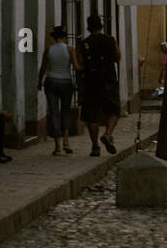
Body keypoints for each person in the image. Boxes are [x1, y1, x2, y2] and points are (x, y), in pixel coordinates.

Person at [78, 15, 121, 156]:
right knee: (114, 109)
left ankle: (95, 146)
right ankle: (108, 134)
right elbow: (118, 57)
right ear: (101, 26)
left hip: (91, 81)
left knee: (92, 115)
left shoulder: (84, 43)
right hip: (108, 80)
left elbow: (81, 63)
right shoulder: (110, 40)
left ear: (88, 28)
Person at [37, 25, 81, 156]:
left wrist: (39, 82)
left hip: (51, 81)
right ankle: (67, 141)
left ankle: (57, 146)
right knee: (66, 110)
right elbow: (77, 67)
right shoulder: (70, 49)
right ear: (65, 36)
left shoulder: (48, 50)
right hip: (66, 82)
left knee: (54, 111)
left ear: (53, 38)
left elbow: (43, 68)